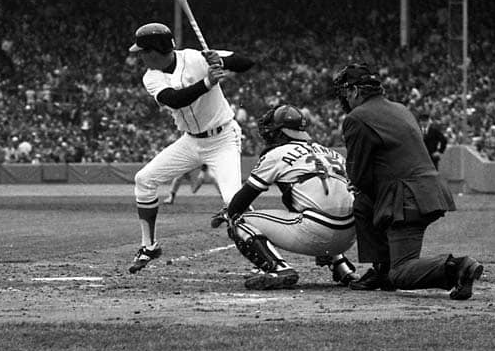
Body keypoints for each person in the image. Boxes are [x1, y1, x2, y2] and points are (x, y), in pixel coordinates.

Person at [332, 64, 483, 300]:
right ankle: (381, 270)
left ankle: (458, 267)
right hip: (429, 190)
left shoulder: (357, 117)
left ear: (354, 91)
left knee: (401, 273)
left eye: (345, 91)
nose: (344, 98)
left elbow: (359, 175)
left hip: (407, 199)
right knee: (363, 205)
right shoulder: (400, 109)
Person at [127, 22, 254, 274]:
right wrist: (207, 82)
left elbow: (246, 62)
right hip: (191, 141)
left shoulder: (197, 57)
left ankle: (266, 261)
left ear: (155, 50)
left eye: (142, 51)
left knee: (234, 202)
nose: (139, 57)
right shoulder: (151, 76)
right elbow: (175, 99)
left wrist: (221, 60)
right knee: (144, 180)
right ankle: (149, 246)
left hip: (223, 139)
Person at [212, 104, 359, 290]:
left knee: (238, 220)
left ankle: (278, 268)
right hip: (349, 235)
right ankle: (343, 269)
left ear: (281, 133)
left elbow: (243, 199)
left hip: (317, 230)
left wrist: (228, 212)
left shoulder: (277, 154)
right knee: (317, 205)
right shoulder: (331, 152)